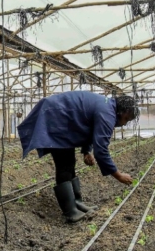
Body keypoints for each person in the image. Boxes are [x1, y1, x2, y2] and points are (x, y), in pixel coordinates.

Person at [17, 91, 137, 223]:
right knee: (64, 162)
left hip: (62, 118)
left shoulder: (107, 107)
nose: (124, 124)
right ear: (122, 111)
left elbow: (88, 126)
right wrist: (118, 175)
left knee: (70, 161)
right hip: (55, 116)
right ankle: (70, 211)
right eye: (126, 119)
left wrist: (86, 151)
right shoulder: (107, 113)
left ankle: (76, 202)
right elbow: (101, 150)